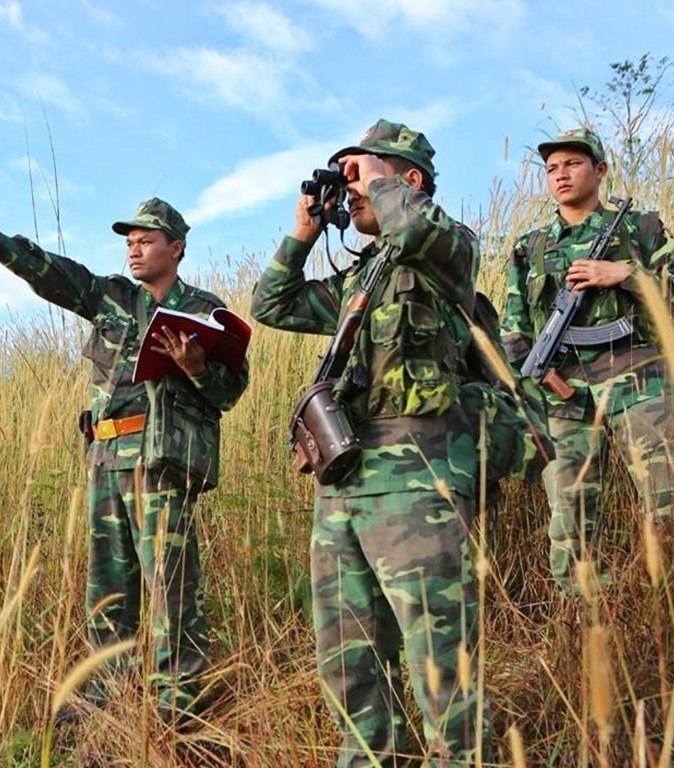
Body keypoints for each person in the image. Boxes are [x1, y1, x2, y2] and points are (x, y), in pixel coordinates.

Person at [0, 196, 249, 722]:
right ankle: (105, 697)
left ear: (177, 247)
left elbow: (230, 392)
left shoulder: (203, 312)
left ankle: (177, 710)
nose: (135, 249)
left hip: (160, 463)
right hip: (105, 459)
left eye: (146, 240)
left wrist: (195, 367)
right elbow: (56, 276)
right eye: (129, 241)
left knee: (171, 590)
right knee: (106, 589)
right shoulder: (111, 297)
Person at [250, 119, 491, 767]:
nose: (351, 187)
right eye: (348, 177)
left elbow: (415, 228)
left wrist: (377, 181)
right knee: (349, 661)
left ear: (408, 179)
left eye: (361, 172)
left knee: (441, 664)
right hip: (345, 478)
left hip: (420, 474)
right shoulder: (363, 277)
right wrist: (303, 231)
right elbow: (272, 304)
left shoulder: (446, 246)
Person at [499, 127, 674, 596]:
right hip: (562, 394)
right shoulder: (530, 248)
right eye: (551, 168)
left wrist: (625, 274)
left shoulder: (640, 228)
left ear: (600, 169)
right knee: (568, 524)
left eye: (572, 163)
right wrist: (534, 369)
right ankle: (589, 621)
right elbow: (513, 328)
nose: (560, 175)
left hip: (640, 380)